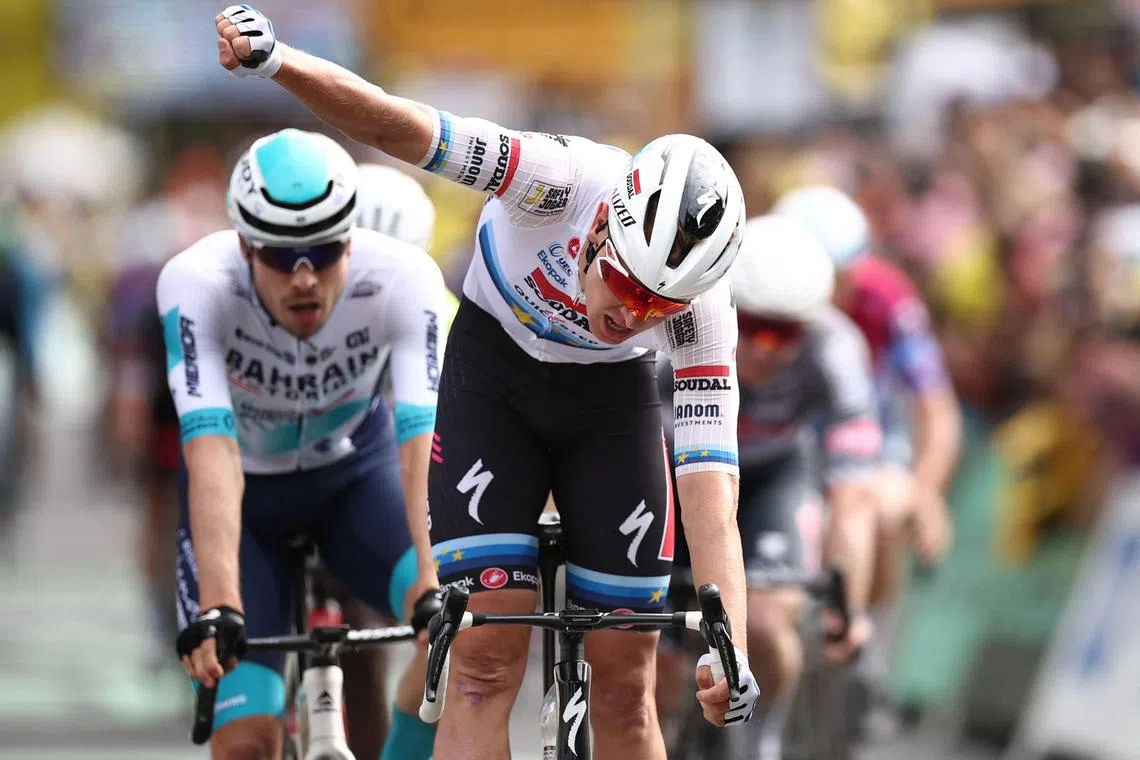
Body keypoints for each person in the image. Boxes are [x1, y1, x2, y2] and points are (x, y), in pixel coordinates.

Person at [214, 5, 767, 757]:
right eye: (626, 286)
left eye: (658, 308)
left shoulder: (704, 311)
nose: (632, 316)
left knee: (627, 684)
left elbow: (709, 479)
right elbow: (396, 126)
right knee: (482, 662)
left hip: (612, 410)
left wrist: (724, 637)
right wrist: (279, 61)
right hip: (493, 382)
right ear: (603, 226)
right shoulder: (553, 179)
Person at [164, 127, 448, 760]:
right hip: (245, 499)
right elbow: (210, 447)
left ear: (350, 239)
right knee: (246, 744)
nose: (302, 279)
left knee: (455, 645)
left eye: (321, 254)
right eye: (278, 255)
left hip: (355, 479)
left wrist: (431, 588)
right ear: (243, 245)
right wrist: (220, 603)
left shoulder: (404, 276)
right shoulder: (196, 282)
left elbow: (419, 441)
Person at [658, 215, 883, 759]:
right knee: (652, 665)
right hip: (669, 479)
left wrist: (846, 606)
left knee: (763, 621)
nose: (763, 348)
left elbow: (853, 497)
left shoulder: (836, 348)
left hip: (770, 482)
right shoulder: (676, 328)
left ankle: (761, 737)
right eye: (752, 324)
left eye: (784, 334)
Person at [774, 184, 961, 728]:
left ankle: (864, 655)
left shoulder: (886, 297)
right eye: (839, 279)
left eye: (856, 273)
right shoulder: (758, 289)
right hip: (784, 439)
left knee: (880, 506)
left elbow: (937, 409)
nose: (851, 289)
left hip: (866, 442)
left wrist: (925, 496)